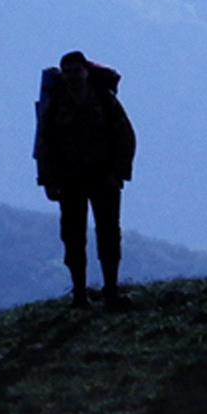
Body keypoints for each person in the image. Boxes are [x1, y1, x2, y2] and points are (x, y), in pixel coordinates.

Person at [32, 51, 136, 303]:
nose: (72, 76)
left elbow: (126, 137)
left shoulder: (104, 99)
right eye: (67, 72)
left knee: (108, 234)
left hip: (104, 178)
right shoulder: (55, 103)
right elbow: (44, 143)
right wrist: (47, 180)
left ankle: (111, 288)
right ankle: (79, 292)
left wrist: (118, 172)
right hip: (69, 181)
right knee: (73, 237)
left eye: (76, 71)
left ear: (86, 71)